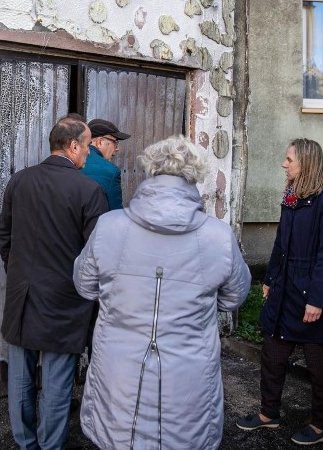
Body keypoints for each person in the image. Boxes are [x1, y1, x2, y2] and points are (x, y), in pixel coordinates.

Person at [73, 135, 251, 450]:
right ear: (194, 175)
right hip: (188, 376)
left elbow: (85, 285)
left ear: (150, 171)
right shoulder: (219, 237)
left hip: (119, 376)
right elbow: (233, 297)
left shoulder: (109, 227)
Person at [0, 115, 108, 450]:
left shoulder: (19, 181)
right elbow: (97, 254)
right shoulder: (89, 190)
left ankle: (26, 443)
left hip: (22, 297)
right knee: (58, 385)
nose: (90, 153)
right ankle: (50, 446)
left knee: (20, 379)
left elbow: (5, 237)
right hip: (66, 301)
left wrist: (18, 273)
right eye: (88, 145)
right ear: (73, 146)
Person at [236, 138, 323, 446]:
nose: (284, 164)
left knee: (320, 364)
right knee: (272, 356)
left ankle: (320, 424)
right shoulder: (291, 195)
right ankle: (267, 414)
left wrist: (316, 300)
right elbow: (281, 244)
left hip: (314, 294)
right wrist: (270, 278)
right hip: (285, 288)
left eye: (289, 160)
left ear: (306, 163)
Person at [82, 119, 130, 210]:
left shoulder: (71, 161)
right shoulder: (111, 171)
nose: (117, 148)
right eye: (115, 142)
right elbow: (115, 214)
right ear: (99, 142)